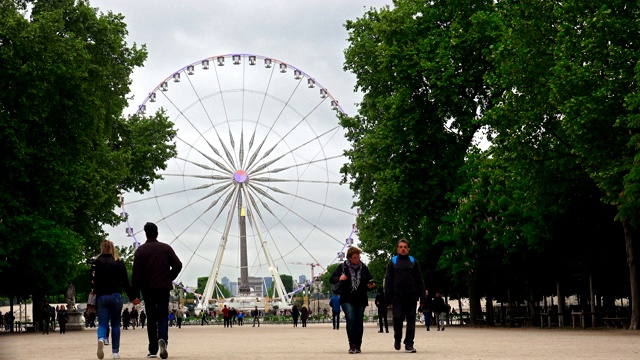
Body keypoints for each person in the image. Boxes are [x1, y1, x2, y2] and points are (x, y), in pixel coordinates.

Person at [132, 222, 183, 359]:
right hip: (162, 287)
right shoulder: (165, 248)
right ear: (157, 233)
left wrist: (134, 294)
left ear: (145, 234)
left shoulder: (141, 251)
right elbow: (178, 265)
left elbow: (135, 275)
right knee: (162, 316)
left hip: (147, 288)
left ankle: (153, 349)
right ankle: (163, 339)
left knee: (151, 317)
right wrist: (169, 278)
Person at [92, 239, 139, 359]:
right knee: (116, 325)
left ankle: (101, 338)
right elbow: (125, 283)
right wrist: (133, 297)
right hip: (116, 296)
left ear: (102, 248)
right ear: (113, 248)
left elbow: (93, 282)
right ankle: (115, 352)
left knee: (102, 324)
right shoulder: (119, 263)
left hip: (102, 296)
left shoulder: (95, 263)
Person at [330, 246, 375, 354]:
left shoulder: (363, 268)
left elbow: (370, 280)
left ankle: (358, 345)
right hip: (347, 298)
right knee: (351, 319)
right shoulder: (342, 267)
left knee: (359, 322)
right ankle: (352, 344)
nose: (356, 260)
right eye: (354, 258)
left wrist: (371, 285)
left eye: (358, 257)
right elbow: (331, 279)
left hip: (360, 298)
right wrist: (339, 278)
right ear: (349, 258)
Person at [384, 239, 426, 353]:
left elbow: (420, 280)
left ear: (408, 249)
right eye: (401, 247)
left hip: (411, 297)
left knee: (411, 321)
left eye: (405, 247)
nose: (403, 249)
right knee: (397, 319)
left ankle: (409, 343)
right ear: (398, 249)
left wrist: (423, 297)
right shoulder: (393, 261)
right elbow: (388, 280)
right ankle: (397, 338)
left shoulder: (413, 261)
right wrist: (387, 297)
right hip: (397, 297)